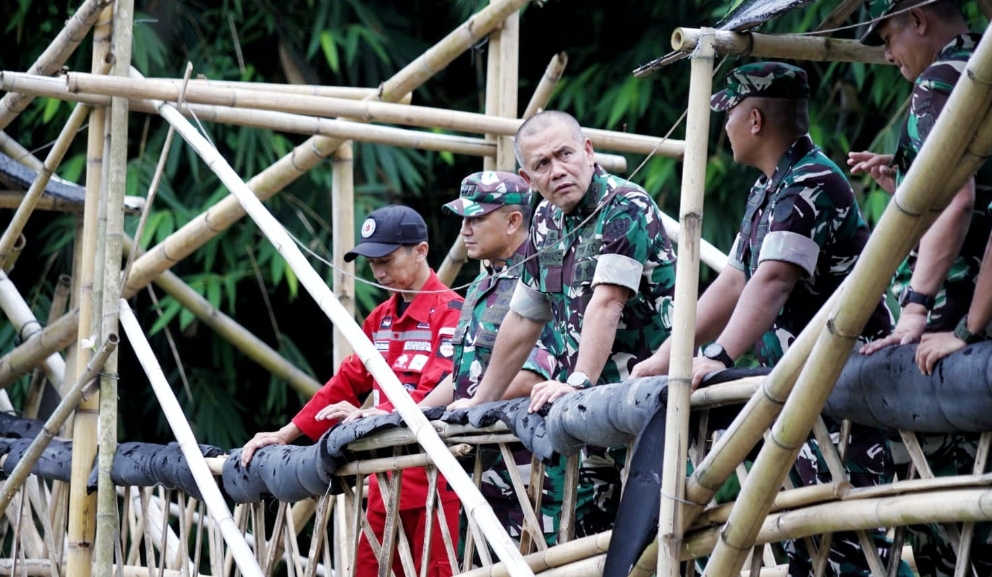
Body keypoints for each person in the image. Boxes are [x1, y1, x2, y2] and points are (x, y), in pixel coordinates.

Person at [631, 62, 897, 577]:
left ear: (754, 120)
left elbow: (772, 281)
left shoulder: (811, 182)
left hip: (845, 397)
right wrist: (663, 358)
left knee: (846, 549)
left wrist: (717, 357)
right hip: (801, 400)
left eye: (728, 112)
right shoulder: (768, 188)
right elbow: (732, 284)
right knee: (804, 546)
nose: (723, 126)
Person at [450, 110, 678, 536]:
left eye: (565, 154)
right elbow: (524, 315)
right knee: (584, 545)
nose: (557, 171)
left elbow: (607, 302)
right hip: (591, 416)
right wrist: (481, 400)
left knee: (660, 540)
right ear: (528, 176)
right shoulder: (546, 221)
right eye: (542, 164)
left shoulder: (625, 205)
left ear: (589, 152)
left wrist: (576, 383)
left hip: (652, 403)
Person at [240, 205, 463, 577]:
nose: (377, 272)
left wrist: (382, 413)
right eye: (371, 262)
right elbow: (344, 383)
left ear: (420, 251)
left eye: (387, 260)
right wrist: (284, 434)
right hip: (382, 482)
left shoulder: (452, 313)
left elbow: (437, 389)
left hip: (434, 483)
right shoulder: (380, 320)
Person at [849, 2, 992, 574]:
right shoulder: (976, 68)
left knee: (947, 529)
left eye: (887, 36)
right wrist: (906, 177)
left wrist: (921, 312)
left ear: (918, 19)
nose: (886, 54)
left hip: (958, 333)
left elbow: (959, 200)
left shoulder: (941, 79)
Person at [423, 170, 563, 551]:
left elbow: (535, 376)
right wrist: (414, 412)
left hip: (532, 478)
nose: (465, 229)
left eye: (476, 218)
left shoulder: (542, 276)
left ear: (514, 220)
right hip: (483, 474)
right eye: (463, 219)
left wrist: (471, 405)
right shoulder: (481, 284)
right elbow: (464, 377)